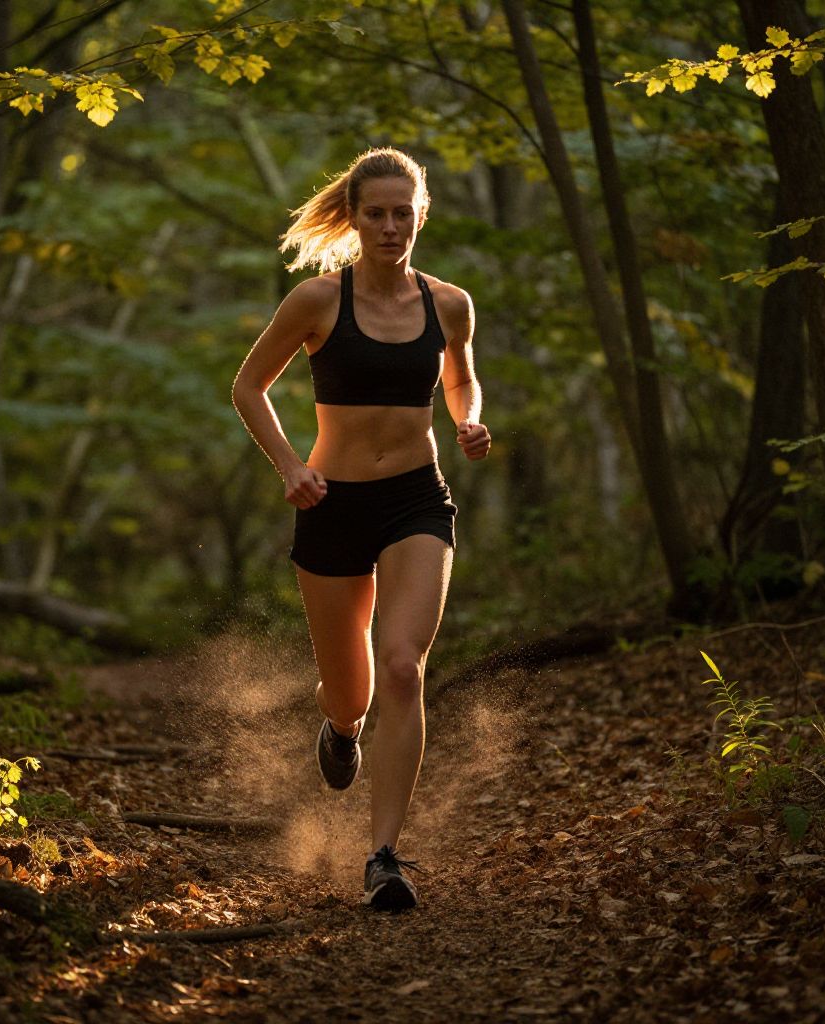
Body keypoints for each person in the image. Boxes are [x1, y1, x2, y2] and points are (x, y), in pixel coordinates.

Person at [232, 147, 490, 911]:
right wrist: (289, 468)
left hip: (416, 498)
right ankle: (339, 727)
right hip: (330, 504)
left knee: (405, 667)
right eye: (374, 213)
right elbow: (248, 387)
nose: (389, 226)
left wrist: (469, 419)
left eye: (401, 213)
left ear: (420, 215)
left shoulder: (449, 305)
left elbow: (461, 375)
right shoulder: (316, 301)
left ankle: (384, 858)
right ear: (353, 217)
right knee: (352, 692)